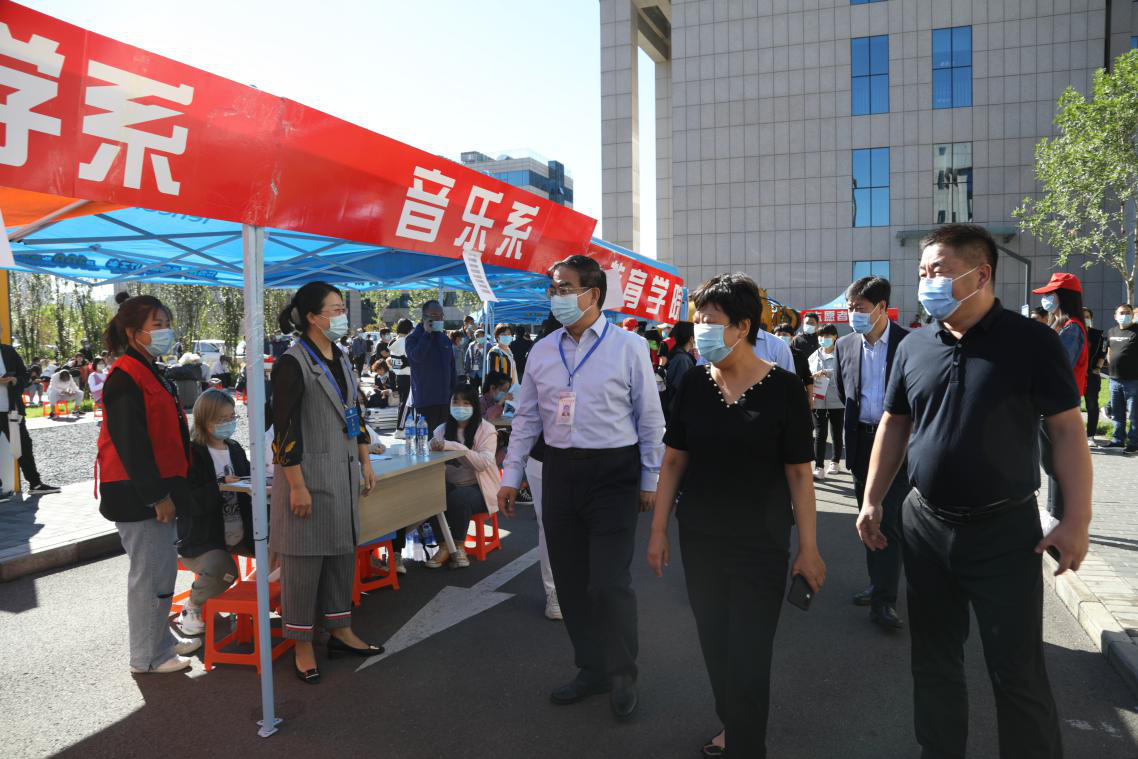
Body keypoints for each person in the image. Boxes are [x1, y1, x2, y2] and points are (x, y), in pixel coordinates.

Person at [858, 224, 1090, 759]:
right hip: (925, 525)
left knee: (1016, 669)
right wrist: (872, 499)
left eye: (938, 271)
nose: (926, 282)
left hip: (1004, 531)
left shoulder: (1032, 342)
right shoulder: (915, 345)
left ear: (981, 274)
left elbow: (1066, 431)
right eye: (922, 272)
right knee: (934, 661)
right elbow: (895, 424)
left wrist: (1076, 518)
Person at [646, 272, 825, 759]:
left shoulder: (784, 388)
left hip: (760, 543)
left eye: (710, 320)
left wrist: (809, 548)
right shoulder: (693, 383)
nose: (700, 328)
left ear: (743, 326)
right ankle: (734, 722)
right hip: (700, 538)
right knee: (715, 642)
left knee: (749, 652)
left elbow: (799, 474)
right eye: (697, 319)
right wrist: (658, 530)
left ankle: (747, 745)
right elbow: (674, 460)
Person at [499, 254, 665, 721]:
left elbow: (650, 418)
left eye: (565, 288)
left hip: (614, 472)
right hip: (560, 472)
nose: (556, 297)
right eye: (552, 289)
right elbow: (526, 418)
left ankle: (622, 673)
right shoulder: (542, 350)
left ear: (594, 294)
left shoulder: (629, 346)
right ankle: (591, 669)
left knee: (608, 582)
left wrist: (649, 479)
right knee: (571, 582)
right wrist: (510, 475)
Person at [270, 281, 382, 684]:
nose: (342, 316)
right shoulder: (292, 362)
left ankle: (340, 630)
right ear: (312, 317)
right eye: (335, 310)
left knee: (340, 555)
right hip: (307, 477)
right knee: (303, 563)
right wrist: (297, 485)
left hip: (343, 473)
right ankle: (302, 643)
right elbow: (284, 430)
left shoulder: (343, 356)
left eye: (341, 309)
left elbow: (355, 413)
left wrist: (365, 460)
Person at [96, 293, 200, 673]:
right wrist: (157, 496)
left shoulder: (151, 369)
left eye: (166, 324)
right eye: (157, 325)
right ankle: (149, 657)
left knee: (161, 572)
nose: (165, 331)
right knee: (151, 576)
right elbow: (132, 444)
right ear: (132, 331)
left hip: (157, 488)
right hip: (139, 494)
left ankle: (160, 641)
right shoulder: (125, 375)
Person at [834, 275, 910, 630]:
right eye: (850, 308)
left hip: (897, 443)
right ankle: (878, 583)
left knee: (888, 518)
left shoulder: (908, 344)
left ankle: (884, 601)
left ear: (881, 307)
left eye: (860, 308)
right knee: (866, 517)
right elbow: (844, 390)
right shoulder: (845, 345)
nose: (853, 314)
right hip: (862, 442)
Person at [175, 389, 254, 636]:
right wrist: (219, 486)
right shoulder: (192, 453)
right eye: (222, 419)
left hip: (240, 531)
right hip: (204, 537)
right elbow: (188, 500)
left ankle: (254, 596)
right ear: (205, 420)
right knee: (223, 569)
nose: (229, 423)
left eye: (232, 417)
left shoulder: (235, 448)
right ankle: (193, 606)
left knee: (282, 548)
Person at [424, 382, 501, 569]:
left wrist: (455, 447)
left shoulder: (487, 430)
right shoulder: (441, 430)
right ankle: (444, 546)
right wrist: (431, 447)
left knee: (458, 498)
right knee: (429, 496)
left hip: (481, 489)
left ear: (474, 405)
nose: (460, 407)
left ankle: (459, 546)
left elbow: (483, 463)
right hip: (451, 484)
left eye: (466, 403)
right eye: (456, 402)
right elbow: (426, 456)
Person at [1034, 273, 1089, 519]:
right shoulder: (1061, 326)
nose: (1045, 299)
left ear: (1063, 297)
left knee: (1056, 464)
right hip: (1052, 402)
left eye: (1050, 294)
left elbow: (1059, 367)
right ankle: (1054, 513)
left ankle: (1057, 516)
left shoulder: (1071, 329)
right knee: (1052, 463)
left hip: (1057, 404)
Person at [0, 342, 60, 498]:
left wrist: (14, 380)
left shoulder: (8, 351)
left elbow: (25, 375)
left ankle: (35, 484)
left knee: (24, 446)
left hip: (12, 410)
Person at [404, 301, 456, 432]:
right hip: (425, 401)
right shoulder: (413, 338)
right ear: (424, 317)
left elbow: (451, 368)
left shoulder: (444, 339)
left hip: (445, 400)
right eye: (434, 315)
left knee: (444, 440)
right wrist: (426, 334)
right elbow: (416, 358)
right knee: (426, 441)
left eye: (441, 315)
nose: (438, 318)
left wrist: (454, 393)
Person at [808, 324, 843, 478]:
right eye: (821, 336)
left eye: (827, 336)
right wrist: (812, 377)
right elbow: (807, 374)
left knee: (836, 432)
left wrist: (827, 372)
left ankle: (835, 461)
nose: (823, 339)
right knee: (820, 433)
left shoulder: (841, 354)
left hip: (837, 399)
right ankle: (819, 466)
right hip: (818, 399)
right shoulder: (813, 356)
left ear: (835, 337)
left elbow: (846, 372)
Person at [1106, 303, 1138, 452]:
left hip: (1133, 380)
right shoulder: (1111, 331)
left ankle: (1134, 442)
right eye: (1122, 313)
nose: (1125, 315)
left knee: (1134, 414)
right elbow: (1109, 350)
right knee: (1117, 412)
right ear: (1115, 316)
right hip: (1114, 379)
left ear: (1132, 315)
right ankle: (1117, 439)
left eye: (1128, 313)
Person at [1083, 307, 1107, 445]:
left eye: (1087, 317)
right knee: (1071, 406)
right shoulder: (1070, 332)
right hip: (1074, 375)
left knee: (1092, 405)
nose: (1085, 319)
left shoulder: (1097, 335)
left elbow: (1102, 353)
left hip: (1091, 375)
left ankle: (1090, 436)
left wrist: (1097, 368)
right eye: (1082, 316)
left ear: (1091, 319)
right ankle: (1074, 435)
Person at [774, 323, 813, 399]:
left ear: (792, 337)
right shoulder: (769, 354)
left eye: (784, 335)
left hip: (795, 394)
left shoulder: (799, 355)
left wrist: (810, 398)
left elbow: (807, 378)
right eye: (778, 335)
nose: (780, 337)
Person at [663, 321, 696, 411]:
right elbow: (682, 388)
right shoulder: (682, 359)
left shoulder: (680, 355)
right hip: (676, 409)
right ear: (691, 339)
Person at [388, 319, 413, 431]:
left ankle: (401, 427)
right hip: (407, 376)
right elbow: (411, 359)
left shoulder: (394, 341)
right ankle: (400, 429)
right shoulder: (406, 342)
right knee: (406, 404)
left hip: (398, 375)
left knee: (403, 403)